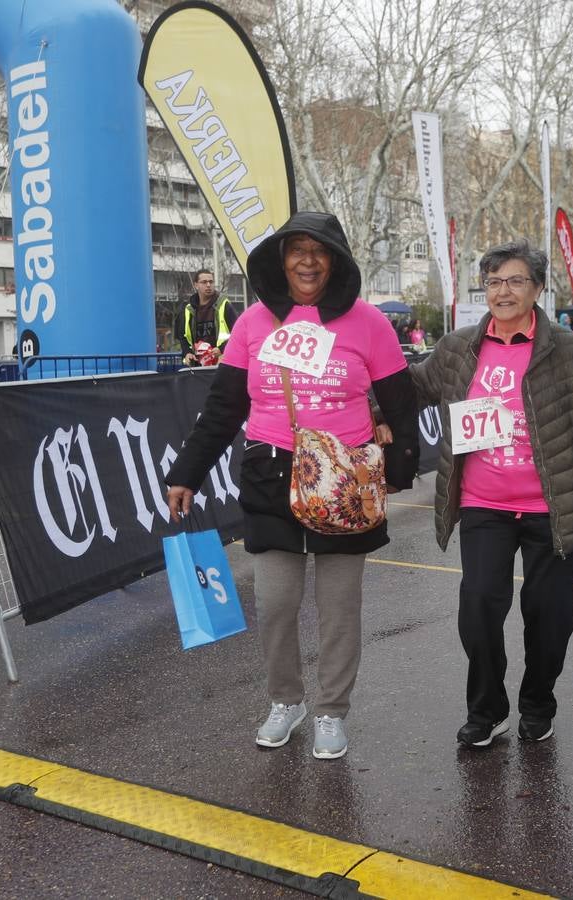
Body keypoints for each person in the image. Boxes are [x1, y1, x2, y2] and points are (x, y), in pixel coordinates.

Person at [164, 212, 419, 760]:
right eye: (296, 249)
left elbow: (400, 404)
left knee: (338, 607)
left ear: (336, 261)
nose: (307, 260)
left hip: (343, 480)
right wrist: (187, 472)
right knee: (277, 603)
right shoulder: (255, 323)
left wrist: (398, 471)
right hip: (271, 476)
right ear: (280, 261)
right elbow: (224, 407)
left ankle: (331, 711)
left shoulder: (370, 323)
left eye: (318, 250)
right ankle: (286, 700)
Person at [408, 240, 573, 748]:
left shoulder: (567, 350)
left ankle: (538, 704)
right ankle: (487, 709)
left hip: (553, 509)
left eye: (515, 280)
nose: (503, 291)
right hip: (482, 505)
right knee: (478, 609)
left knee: (549, 617)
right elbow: (409, 389)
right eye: (493, 281)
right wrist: (358, 389)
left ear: (537, 289)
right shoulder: (457, 349)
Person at [174, 268, 239, 366]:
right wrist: (187, 353)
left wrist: (221, 349)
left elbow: (238, 332)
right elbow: (183, 337)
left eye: (211, 282)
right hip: (197, 365)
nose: (208, 285)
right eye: (204, 282)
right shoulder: (188, 310)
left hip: (221, 364)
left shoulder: (224, 305)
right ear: (196, 285)